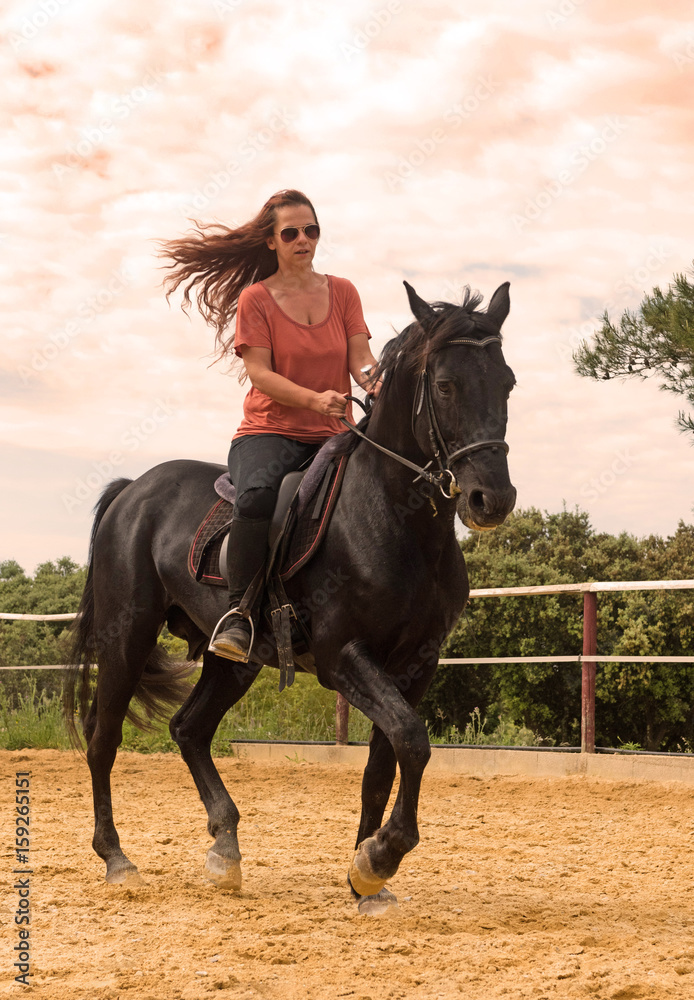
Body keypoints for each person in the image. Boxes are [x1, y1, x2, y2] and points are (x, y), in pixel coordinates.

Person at [161, 189, 380, 661]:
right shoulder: (256, 299)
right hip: (268, 433)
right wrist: (316, 400)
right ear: (271, 242)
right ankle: (239, 614)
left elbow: (361, 360)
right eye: (291, 233)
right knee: (258, 496)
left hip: (334, 433)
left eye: (312, 230)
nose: (303, 239)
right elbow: (260, 373)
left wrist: (378, 383)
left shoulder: (343, 291)